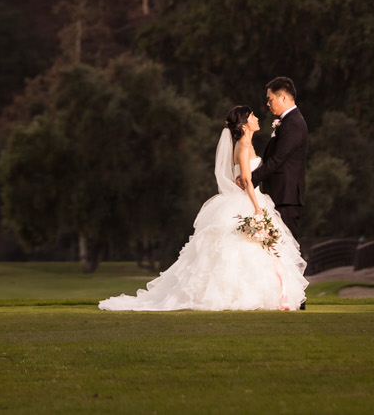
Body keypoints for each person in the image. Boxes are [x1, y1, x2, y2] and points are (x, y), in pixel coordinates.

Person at [98, 104, 307, 311]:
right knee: (239, 249)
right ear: (244, 125)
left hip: (254, 197)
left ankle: (269, 295)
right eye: (251, 116)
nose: (256, 118)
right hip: (248, 201)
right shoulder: (243, 146)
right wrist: (256, 207)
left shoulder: (248, 145)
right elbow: (246, 178)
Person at [250, 76, 308, 250]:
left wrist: (251, 179)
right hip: (280, 193)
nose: (268, 103)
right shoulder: (287, 122)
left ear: (283, 97)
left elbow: (278, 159)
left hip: (286, 195)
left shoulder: (293, 123)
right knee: (277, 248)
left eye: (270, 99)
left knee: (287, 248)